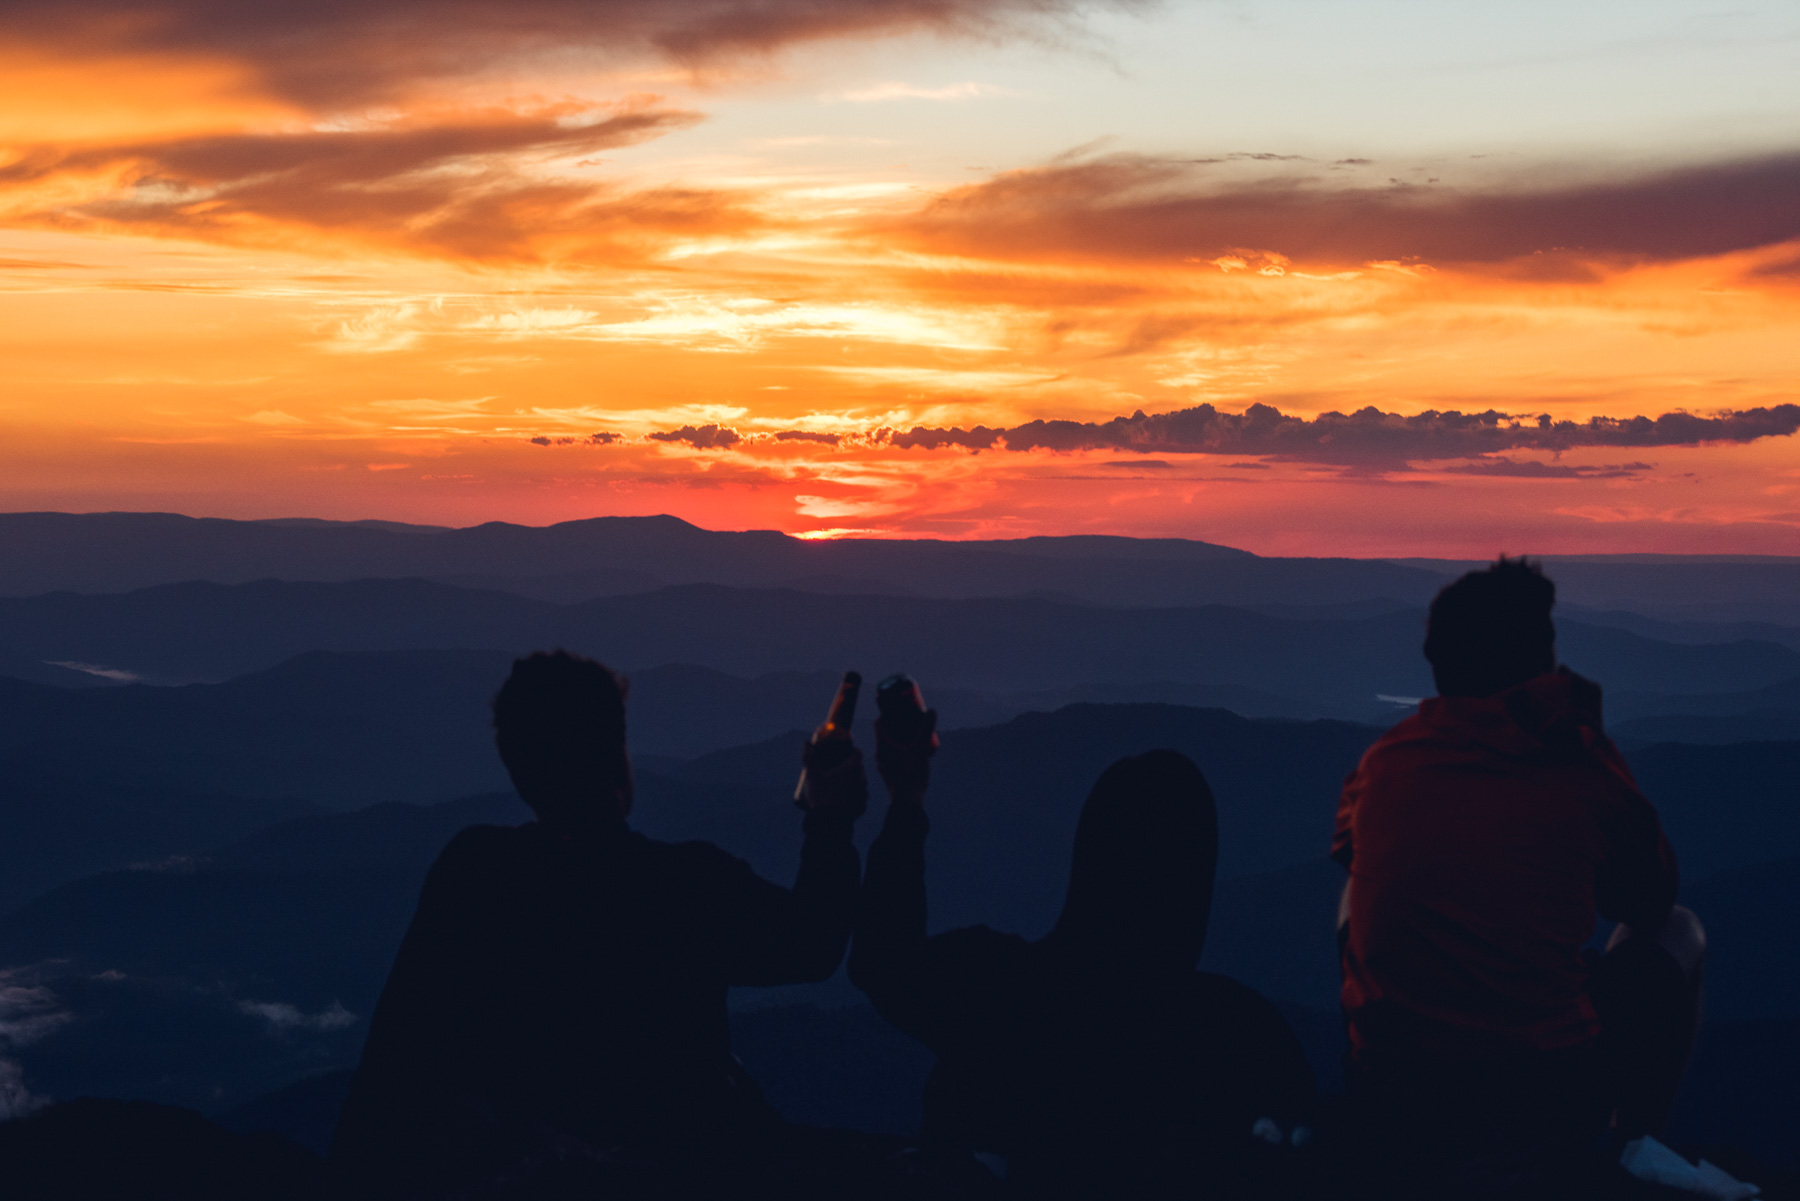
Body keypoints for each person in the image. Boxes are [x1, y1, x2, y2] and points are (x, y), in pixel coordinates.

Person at [330, 650, 868, 1200]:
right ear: (617, 760)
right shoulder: (685, 886)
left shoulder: (473, 874)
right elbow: (812, 945)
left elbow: (393, 1063)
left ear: (518, 767)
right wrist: (831, 818)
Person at [1333, 557, 1701, 1197]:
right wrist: (1593, 737)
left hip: (1392, 1091)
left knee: (1354, 887)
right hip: (1541, 1097)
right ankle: (1631, 1145)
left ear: (1438, 662)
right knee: (1680, 931)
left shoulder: (1387, 762)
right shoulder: (1581, 769)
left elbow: (1347, 854)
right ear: (1540, 663)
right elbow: (1647, 902)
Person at [851, 713, 1316, 1201]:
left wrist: (906, 798)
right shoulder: (1240, 1040)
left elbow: (880, 962)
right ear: (1195, 886)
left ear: (1086, 859)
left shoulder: (997, 992)